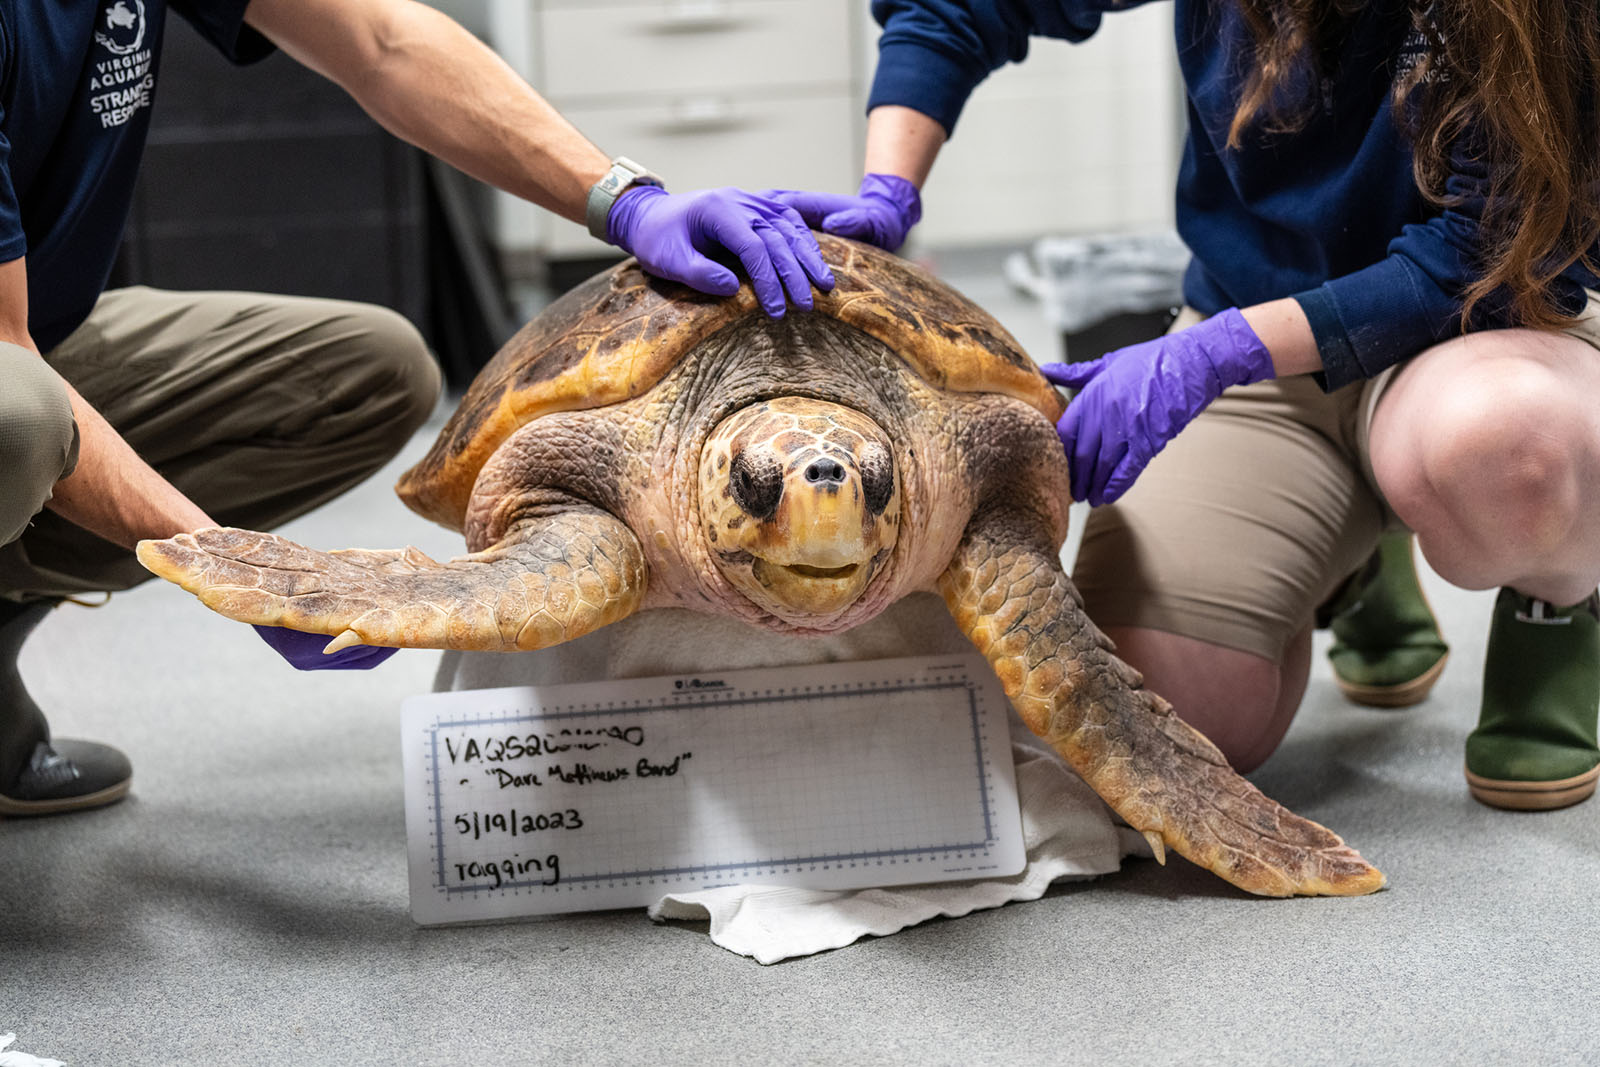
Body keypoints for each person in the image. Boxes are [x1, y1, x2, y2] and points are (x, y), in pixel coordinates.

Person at [0, 0, 832, 816]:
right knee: (22, 419)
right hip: (12, 365)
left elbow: (382, 38)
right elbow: (13, 359)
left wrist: (624, 200)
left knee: (373, 372)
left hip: (44, 327)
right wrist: (233, 562)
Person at [771, 0, 1600, 810]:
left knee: (1508, 446)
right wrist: (886, 193)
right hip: (1266, 321)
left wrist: (1209, 355)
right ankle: (1355, 553)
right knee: (1158, 726)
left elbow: (1487, 254)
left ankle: (1555, 603)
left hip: (1477, 332)